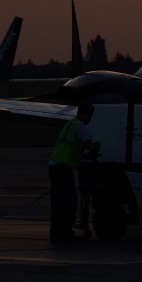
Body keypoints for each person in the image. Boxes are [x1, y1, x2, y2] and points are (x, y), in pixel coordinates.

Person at [49, 103, 98, 243]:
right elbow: (89, 144)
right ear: (87, 113)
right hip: (62, 168)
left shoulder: (70, 124)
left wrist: (84, 156)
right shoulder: (79, 125)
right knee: (69, 202)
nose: (90, 119)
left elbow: (72, 148)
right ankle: (66, 234)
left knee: (58, 203)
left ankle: (56, 233)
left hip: (55, 166)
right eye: (90, 116)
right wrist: (96, 147)